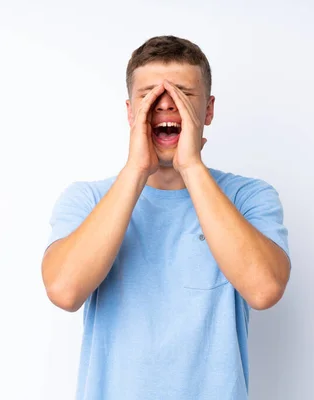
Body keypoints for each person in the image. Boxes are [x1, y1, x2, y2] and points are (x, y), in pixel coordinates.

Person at [41, 35, 291, 400]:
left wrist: (190, 165)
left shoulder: (248, 197)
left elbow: (264, 289)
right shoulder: (87, 199)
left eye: (183, 95)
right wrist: (136, 169)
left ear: (208, 110)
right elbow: (64, 291)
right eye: (150, 96)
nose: (165, 106)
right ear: (130, 112)